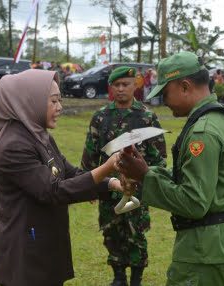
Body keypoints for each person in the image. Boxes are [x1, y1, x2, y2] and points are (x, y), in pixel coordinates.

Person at [115, 51, 224, 285]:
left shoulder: (204, 131)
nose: (164, 101)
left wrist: (145, 176)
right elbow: (205, 181)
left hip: (207, 254)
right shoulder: (222, 118)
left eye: (165, 93)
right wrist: (147, 172)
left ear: (184, 86)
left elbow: (194, 202)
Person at [0, 69, 122, 286]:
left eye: (60, 100)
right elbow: (52, 191)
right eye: (53, 101)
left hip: (44, 242)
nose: (60, 107)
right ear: (29, 101)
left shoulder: (38, 134)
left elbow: (68, 172)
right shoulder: (14, 144)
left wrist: (112, 183)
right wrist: (106, 168)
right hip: (26, 252)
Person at [81, 66, 167, 286]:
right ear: (111, 87)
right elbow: (91, 153)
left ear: (135, 85)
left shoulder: (146, 117)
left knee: (136, 234)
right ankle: (118, 277)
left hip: (137, 188)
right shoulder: (101, 117)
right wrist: (88, 186)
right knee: (111, 233)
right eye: (117, 85)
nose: (121, 89)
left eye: (125, 84)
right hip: (109, 187)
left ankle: (136, 279)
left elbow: (159, 157)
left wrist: (151, 182)